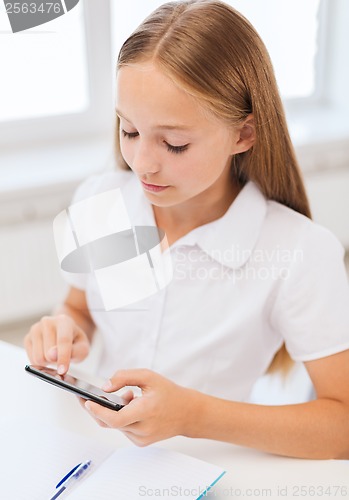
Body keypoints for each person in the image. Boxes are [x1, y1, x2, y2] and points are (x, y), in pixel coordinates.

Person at [25, 0, 349, 459]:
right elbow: (80, 307)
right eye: (129, 131)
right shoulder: (100, 201)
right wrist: (65, 328)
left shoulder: (298, 251)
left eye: (174, 143)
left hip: (212, 466)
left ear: (244, 134)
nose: (142, 163)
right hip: (96, 453)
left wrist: (193, 415)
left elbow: (343, 425)